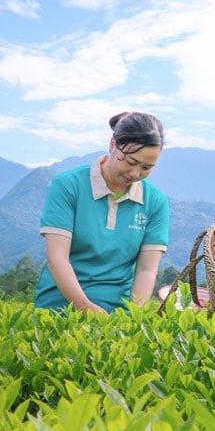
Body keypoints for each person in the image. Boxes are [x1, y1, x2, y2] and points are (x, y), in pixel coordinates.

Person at [34, 112, 169, 314]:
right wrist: (85, 307)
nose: (135, 174)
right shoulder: (69, 186)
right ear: (113, 145)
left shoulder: (155, 202)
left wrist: (133, 317)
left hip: (118, 312)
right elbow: (57, 257)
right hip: (59, 307)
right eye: (130, 162)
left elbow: (146, 270)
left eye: (147, 167)